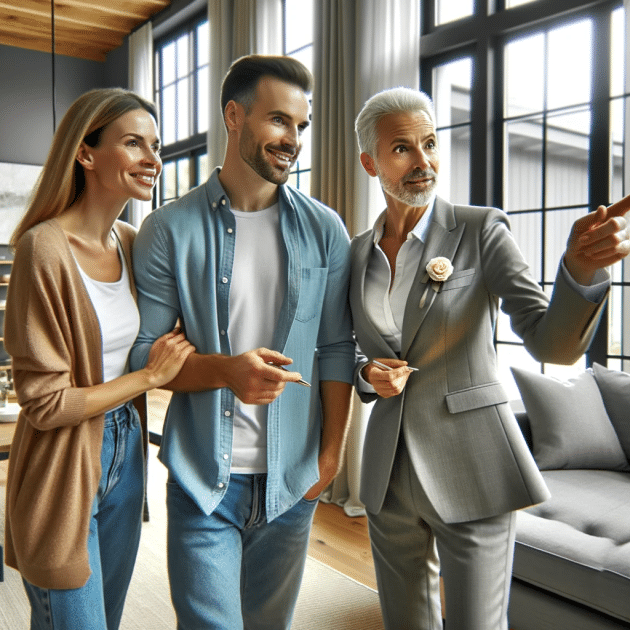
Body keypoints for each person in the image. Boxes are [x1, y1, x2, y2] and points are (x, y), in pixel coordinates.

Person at [349, 87, 630, 630]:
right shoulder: (357, 252)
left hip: (473, 464)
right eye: (402, 148)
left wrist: (580, 273)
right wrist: (367, 372)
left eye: (430, 143)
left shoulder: (481, 230)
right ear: (370, 161)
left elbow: (553, 345)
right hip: (387, 470)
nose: (423, 161)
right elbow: (350, 348)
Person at [129, 55, 355, 630]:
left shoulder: (325, 229)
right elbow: (145, 360)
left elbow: (334, 347)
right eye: (279, 121)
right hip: (205, 479)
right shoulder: (168, 230)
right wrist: (228, 371)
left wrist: (329, 458)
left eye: (301, 126)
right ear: (234, 115)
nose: (293, 140)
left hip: (292, 481)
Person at [4, 88, 195, 630]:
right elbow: (45, 405)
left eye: (154, 146)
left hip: (126, 451)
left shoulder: (134, 243)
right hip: (61, 462)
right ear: (85, 153)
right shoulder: (42, 249)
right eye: (133, 143)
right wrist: (149, 378)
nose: (152, 159)